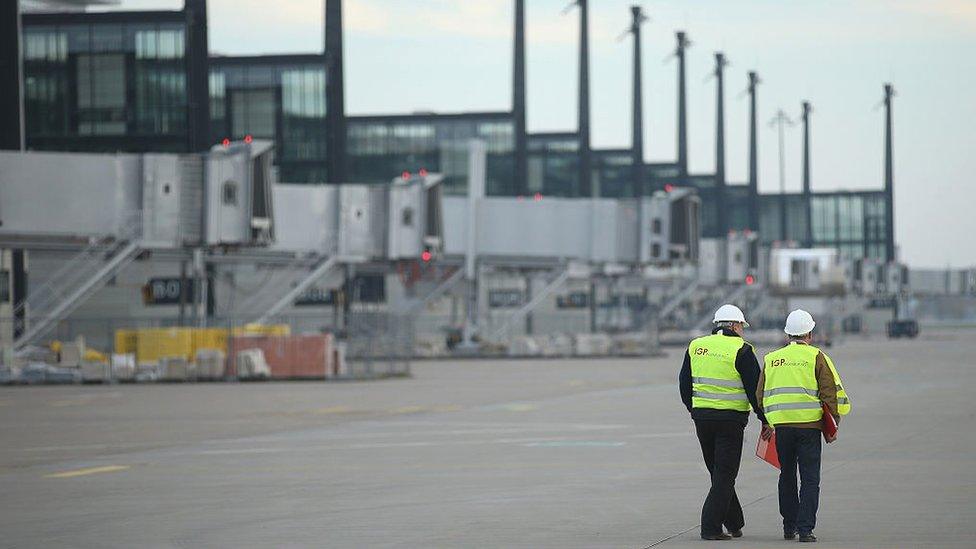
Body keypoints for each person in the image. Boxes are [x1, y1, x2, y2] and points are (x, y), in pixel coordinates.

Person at [758, 309, 851, 543]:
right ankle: (805, 529)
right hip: (809, 428)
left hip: (783, 429)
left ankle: (789, 527)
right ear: (809, 334)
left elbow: (760, 395)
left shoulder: (771, 359)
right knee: (810, 479)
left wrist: (768, 422)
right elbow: (829, 392)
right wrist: (832, 425)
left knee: (786, 475)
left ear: (788, 334)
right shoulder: (816, 357)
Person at [679, 304, 770, 541]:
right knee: (725, 474)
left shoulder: (696, 346)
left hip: (703, 419)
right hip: (730, 421)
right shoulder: (742, 349)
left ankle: (734, 521)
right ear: (736, 325)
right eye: (742, 327)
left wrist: (694, 409)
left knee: (718, 473)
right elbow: (755, 390)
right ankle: (710, 527)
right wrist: (765, 419)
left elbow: (684, 384)